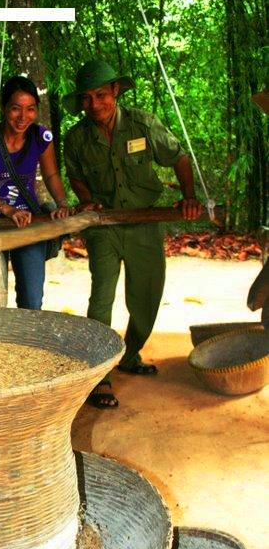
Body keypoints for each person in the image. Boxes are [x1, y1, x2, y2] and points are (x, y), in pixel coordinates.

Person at [63, 58, 202, 408]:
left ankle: (130, 354)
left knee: (146, 297)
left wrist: (188, 197)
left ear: (115, 91)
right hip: (104, 227)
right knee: (102, 298)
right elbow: (76, 174)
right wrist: (88, 200)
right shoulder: (76, 138)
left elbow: (179, 157)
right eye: (87, 98)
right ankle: (99, 376)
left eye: (101, 95)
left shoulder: (142, 124)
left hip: (144, 224)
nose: (95, 105)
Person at [0, 75, 70, 310]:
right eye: (16, 109)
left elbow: (51, 175)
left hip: (28, 224)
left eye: (30, 109)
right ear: (3, 108)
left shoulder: (41, 137)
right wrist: (6, 209)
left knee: (31, 302)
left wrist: (62, 202)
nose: (23, 117)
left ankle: (27, 346)